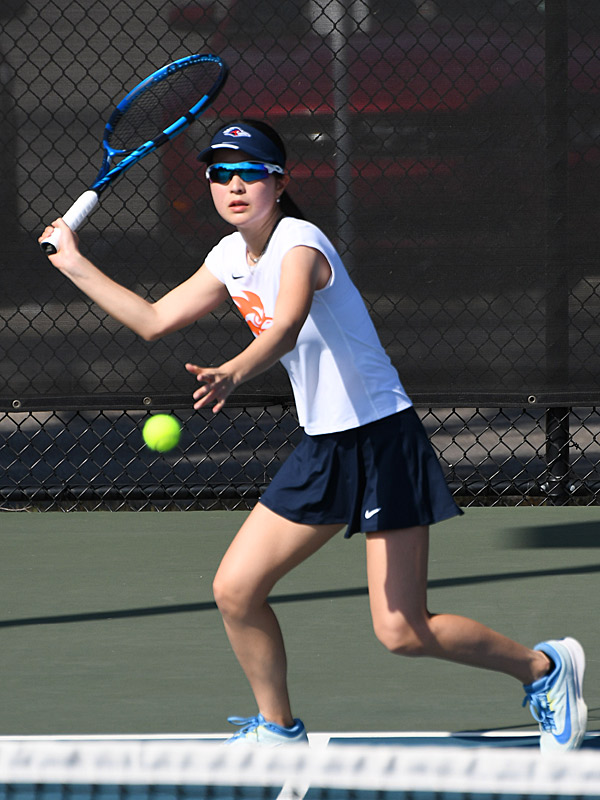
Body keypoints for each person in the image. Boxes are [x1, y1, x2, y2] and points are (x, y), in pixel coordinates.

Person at [40, 119, 587, 752]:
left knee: (402, 631)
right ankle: (278, 728)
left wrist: (234, 371)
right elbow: (155, 319)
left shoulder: (301, 243)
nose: (234, 185)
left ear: (279, 183)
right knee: (235, 590)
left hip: (382, 440)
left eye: (251, 172)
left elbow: (287, 325)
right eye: (221, 174)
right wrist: (73, 262)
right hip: (325, 447)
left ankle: (543, 669)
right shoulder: (227, 257)